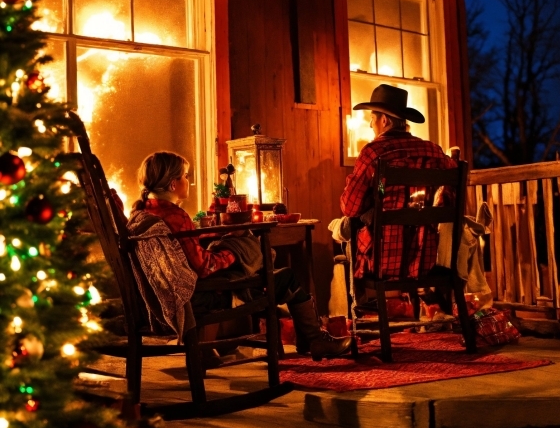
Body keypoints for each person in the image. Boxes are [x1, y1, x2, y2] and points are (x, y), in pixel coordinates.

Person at [129, 151, 351, 360]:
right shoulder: (176, 216)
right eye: (186, 176)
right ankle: (313, 340)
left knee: (268, 270)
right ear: (173, 184)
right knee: (281, 274)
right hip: (201, 295)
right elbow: (204, 267)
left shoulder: (140, 214)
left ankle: (309, 341)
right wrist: (232, 254)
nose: (188, 180)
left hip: (164, 296)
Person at [340, 84, 456, 283]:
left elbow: (349, 207)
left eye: (371, 119)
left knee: (344, 227)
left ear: (384, 120)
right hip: (424, 256)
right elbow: (452, 186)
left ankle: (372, 305)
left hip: (382, 260)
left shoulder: (373, 152)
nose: (370, 125)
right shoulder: (434, 151)